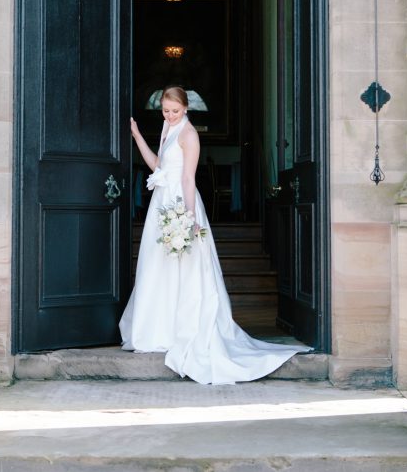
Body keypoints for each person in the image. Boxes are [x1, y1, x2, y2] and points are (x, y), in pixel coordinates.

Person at [119, 86, 307, 384]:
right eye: (166, 111)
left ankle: (181, 330)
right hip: (162, 203)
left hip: (181, 203)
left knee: (187, 268)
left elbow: (187, 178)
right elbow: (157, 166)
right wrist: (137, 135)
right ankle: (157, 329)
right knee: (158, 266)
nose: (170, 115)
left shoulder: (189, 134)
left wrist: (189, 218)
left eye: (175, 111)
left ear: (186, 108)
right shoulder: (168, 129)